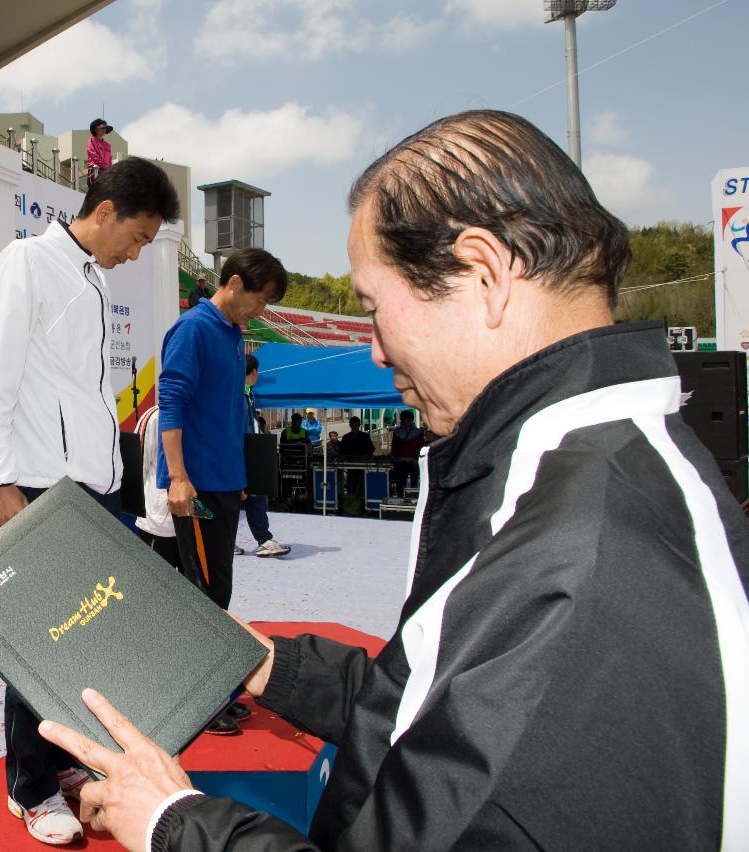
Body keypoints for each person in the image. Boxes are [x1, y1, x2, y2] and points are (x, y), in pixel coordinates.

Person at [36, 109, 749, 851]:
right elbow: (442, 713)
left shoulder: (577, 556)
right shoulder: (587, 480)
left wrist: (171, 822)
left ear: (484, 273)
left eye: (376, 310)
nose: (374, 350)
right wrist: (271, 666)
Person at [0, 156, 180, 846]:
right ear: (107, 211)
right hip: (33, 484)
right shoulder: (29, 262)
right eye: (139, 237)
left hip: (88, 485)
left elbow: (80, 394)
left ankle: (58, 766)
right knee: (41, 647)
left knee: (83, 639)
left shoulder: (89, 278)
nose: (138, 252)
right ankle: (26, 789)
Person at [157, 247, 288, 734]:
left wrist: (245, 480)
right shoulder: (193, 329)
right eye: (261, 299)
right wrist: (178, 477)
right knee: (203, 593)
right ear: (233, 283)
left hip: (227, 481)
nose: (262, 311)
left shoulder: (234, 335)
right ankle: (198, 703)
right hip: (197, 487)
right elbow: (169, 401)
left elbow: (228, 413)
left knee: (219, 590)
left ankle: (209, 691)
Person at [235, 356, 289, 558]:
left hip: (251, 453)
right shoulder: (237, 396)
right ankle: (228, 541)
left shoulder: (248, 395)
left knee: (256, 496)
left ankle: (264, 540)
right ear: (253, 371)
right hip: (240, 454)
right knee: (236, 498)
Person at [133, 404, 180, 570]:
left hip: (195, 524)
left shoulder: (202, 414)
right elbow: (138, 466)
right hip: (159, 525)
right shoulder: (155, 416)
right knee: (156, 587)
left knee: (194, 590)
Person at [388, 408, 424, 501]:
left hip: (413, 462)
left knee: (414, 481)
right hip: (400, 462)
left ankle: (413, 499)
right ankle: (401, 499)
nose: (408, 421)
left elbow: (420, 447)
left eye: (409, 419)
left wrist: (416, 459)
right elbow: (394, 447)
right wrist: (395, 458)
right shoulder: (397, 432)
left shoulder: (418, 433)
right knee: (400, 482)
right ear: (402, 420)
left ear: (412, 420)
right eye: (406, 419)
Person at [85, 118, 113, 185]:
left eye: (105, 128)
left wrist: (110, 170)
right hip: (95, 170)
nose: (104, 130)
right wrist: (105, 168)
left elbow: (110, 160)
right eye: (101, 128)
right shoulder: (92, 141)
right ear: (95, 129)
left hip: (106, 171)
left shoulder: (108, 145)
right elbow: (95, 156)